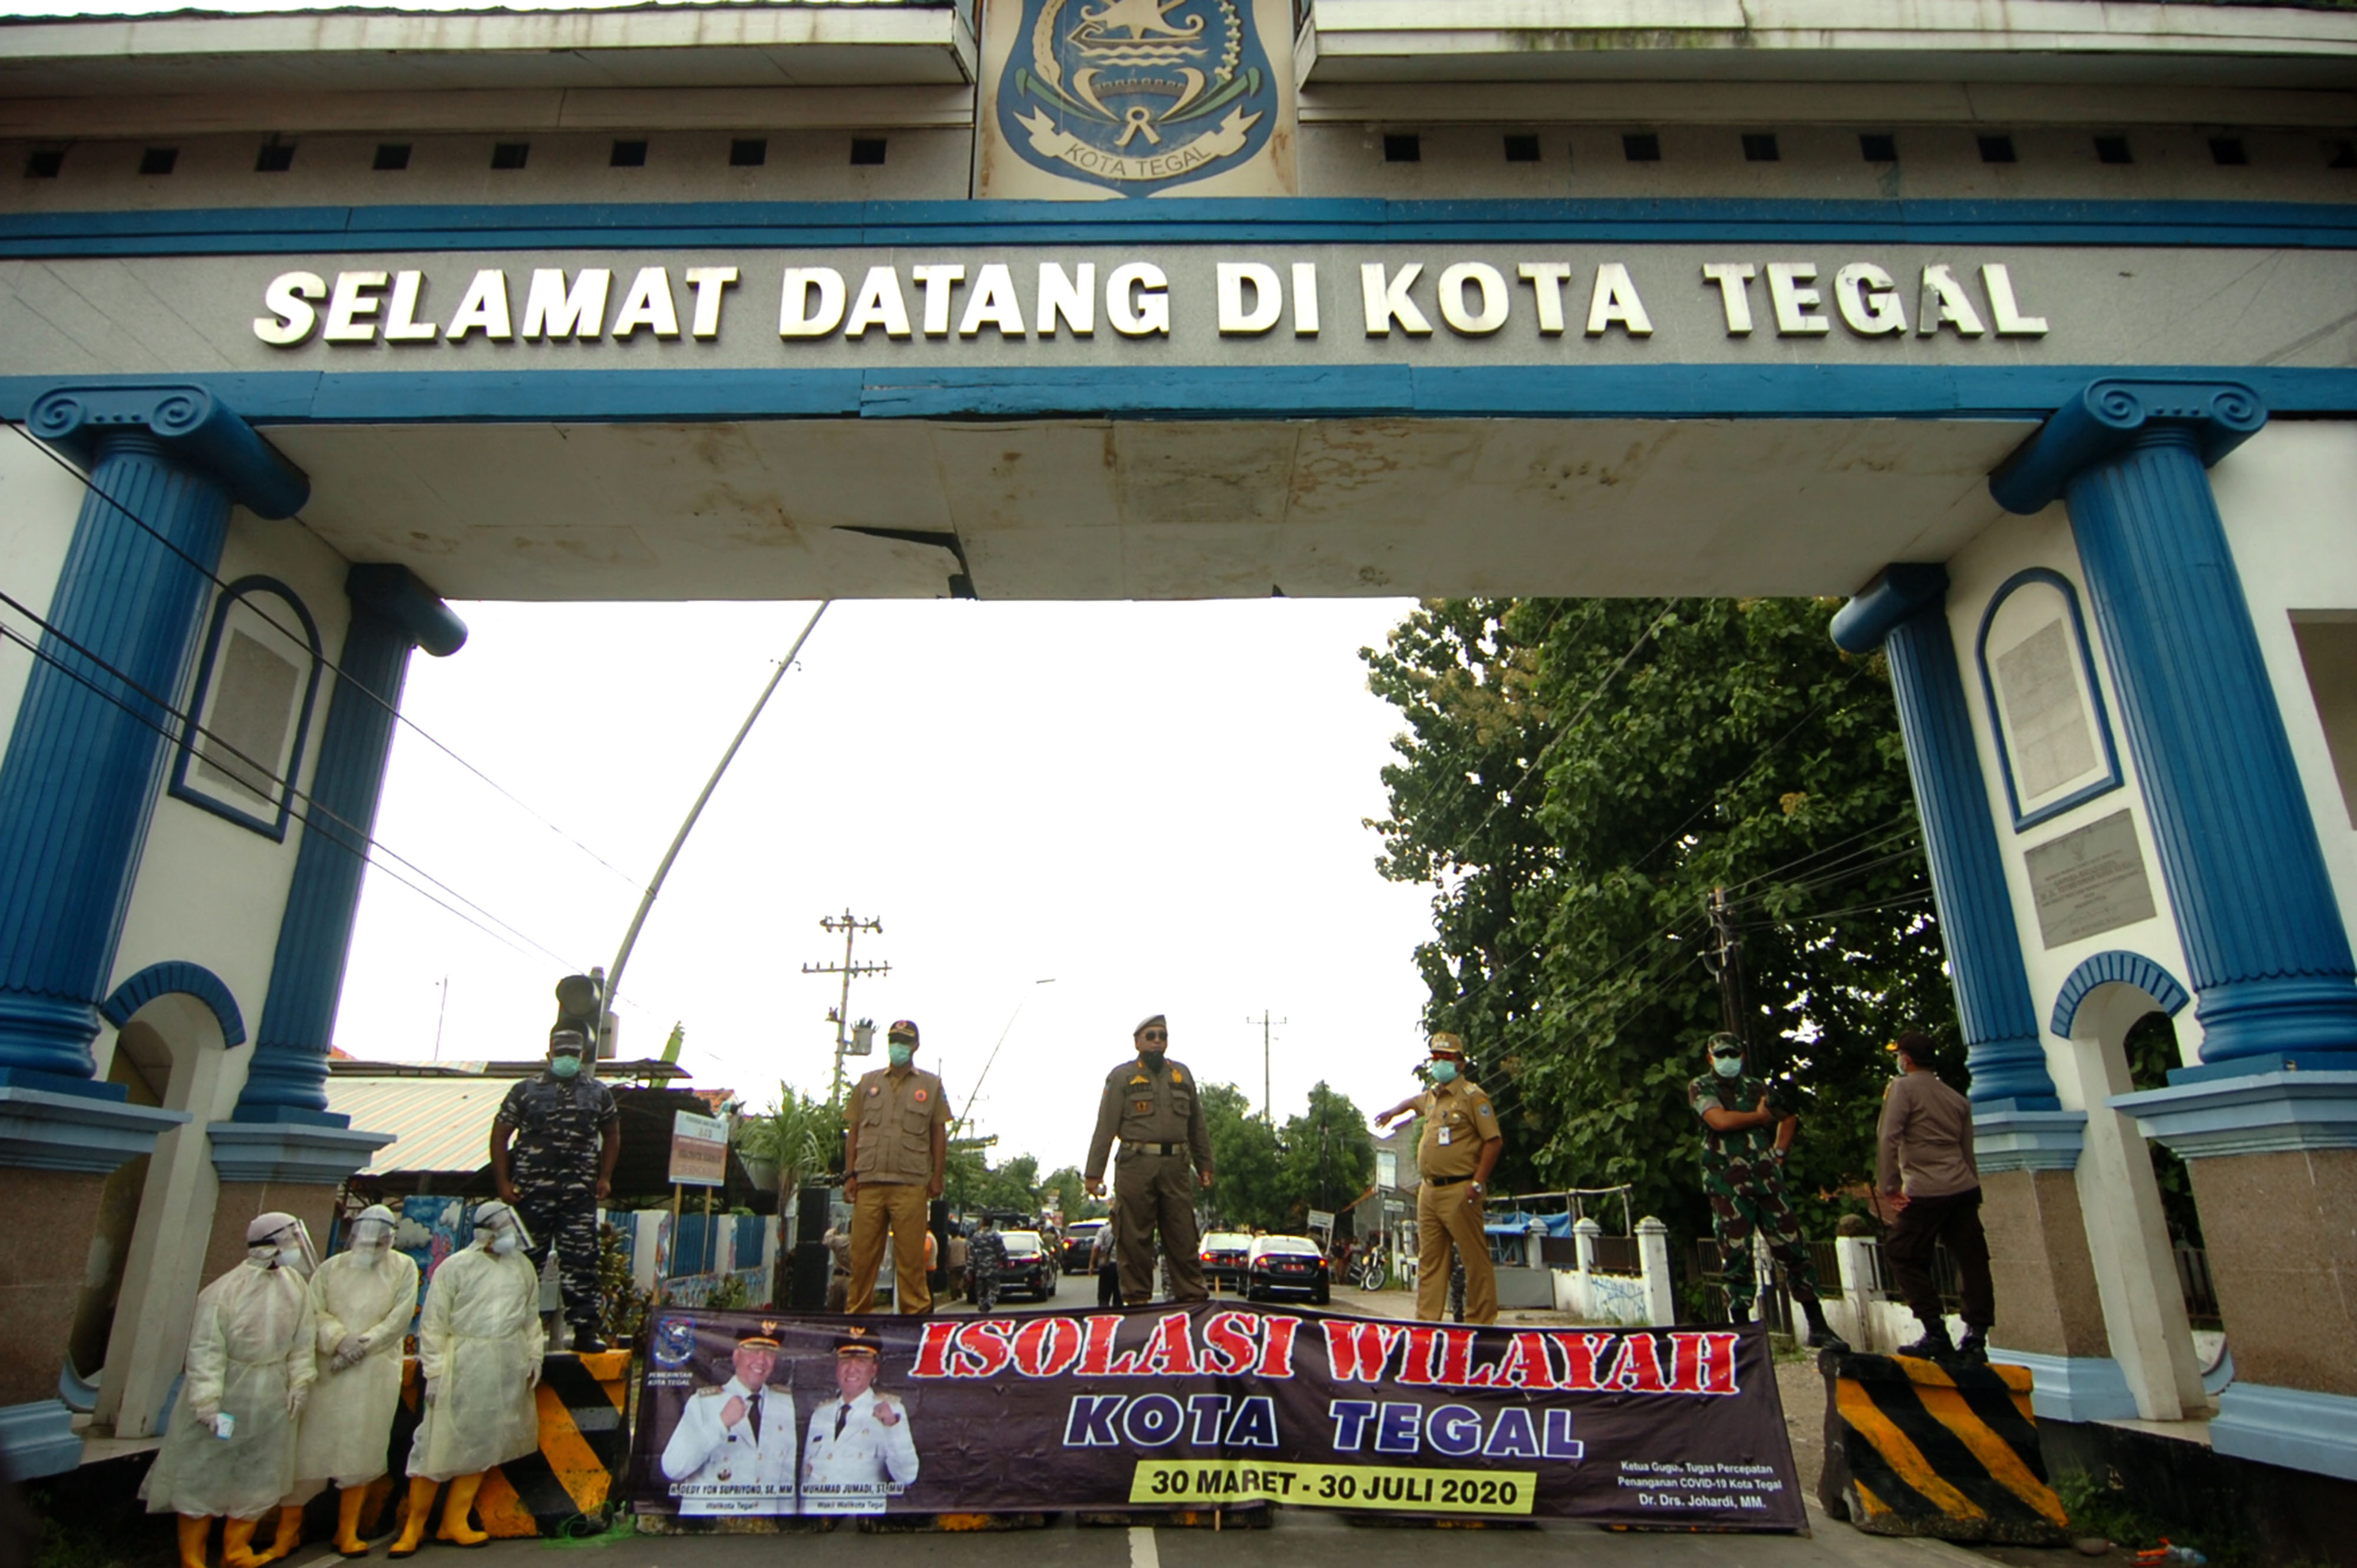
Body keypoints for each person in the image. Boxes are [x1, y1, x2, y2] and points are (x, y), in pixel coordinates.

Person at [142, 1214, 319, 1568]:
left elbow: (304, 1339)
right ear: (268, 1245)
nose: (294, 1250)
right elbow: (206, 1351)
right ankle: (193, 1558)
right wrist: (207, 1403)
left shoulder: (295, 1286)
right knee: (202, 1476)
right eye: (287, 1241)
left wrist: (300, 1381)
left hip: (271, 1395)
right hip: (227, 1394)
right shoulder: (222, 1292)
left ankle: (236, 1552)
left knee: (260, 1475)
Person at [389, 1201, 545, 1558]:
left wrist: (533, 1356)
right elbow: (433, 1323)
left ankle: (454, 1522)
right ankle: (413, 1527)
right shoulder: (456, 1267)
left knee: (483, 1444)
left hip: (504, 1365)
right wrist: (434, 1371)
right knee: (434, 1447)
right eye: (502, 1227)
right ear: (486, 1232)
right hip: (460, 1363)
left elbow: (529, 1319)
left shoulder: (522, 1267)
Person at [1687, 1033, 1847, 1349]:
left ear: (1742, 1056)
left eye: (1733, 1054)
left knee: (1793, 1249)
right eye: (1721, 1055)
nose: (1727, 1060)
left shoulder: (1757, 1088)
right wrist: (1759, 1118)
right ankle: (1743, 1334)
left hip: (1765, 1179)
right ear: (1710, 1058)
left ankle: (1818, 1326)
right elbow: (1718, 1120)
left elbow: (1788, 1117)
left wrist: (1779, 1153)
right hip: (1727, 1184)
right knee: (1736, 1255)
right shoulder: (1701, 1087)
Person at [289, 1206, 418, 1559]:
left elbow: (399, 1317)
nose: (374, 1248)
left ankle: (347, 1531)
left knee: (362, 1448)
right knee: (311, 1448)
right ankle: (288, 1532)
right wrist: (338, 1340)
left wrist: (364, 1345)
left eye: (382, 1241)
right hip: (330, 1367)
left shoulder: (404, 1268)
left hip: (374, 1369)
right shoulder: (331, 1269)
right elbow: (314, 1312)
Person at [489, 1029, 619, 1354]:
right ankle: (511, 1326)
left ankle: (586, 1329)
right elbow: (500, 1135)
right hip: (532, 1193)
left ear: (582, 1058)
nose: (567, 1061)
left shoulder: (598, 1093)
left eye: (573, 1055)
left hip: (578, 1194)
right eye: (562, 1054)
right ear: (549, 1056)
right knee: (522, 1261)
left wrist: (605, 1177)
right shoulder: (525, 1091)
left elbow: (613, 1134)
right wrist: (503, 1183)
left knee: (581, 1260)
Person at [1877, 1031, 1995, 1364]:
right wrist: (1973, 1187)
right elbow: (1966, 1149)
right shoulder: (1956, 1097)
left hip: (1926, 1189)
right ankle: (1976, 1337)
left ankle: (1935, 1331)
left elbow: (1888, 1136)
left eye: (1899, 1054)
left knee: (1902, 1253)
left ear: (1907, 1059)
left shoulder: (1902, 1088)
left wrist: (1889, 1184)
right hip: (1963, 1187)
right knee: (1972, 1259)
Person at [1084, 1015, 1214, 1305]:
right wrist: (1094, 1174)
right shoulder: (1122, 1077)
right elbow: (1105, 1125)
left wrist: (1206, 1166)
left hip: (1176, 1167)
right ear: (1138, 1042)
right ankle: (1137, 1302)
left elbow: (1198, 1126)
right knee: (1134, 1237)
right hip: (1136, 1165)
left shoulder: (1182, 1075)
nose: (1157, 1041)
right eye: (1151, 1036)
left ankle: (1192, 1301)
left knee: (1182, 1235)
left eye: (1163, 1036)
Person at [1374, 1033, 1503, 1324]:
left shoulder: (1473, 1097)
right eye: (1435, 1057)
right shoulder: (1433, 1096)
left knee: (1474, 1259)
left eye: (1446, 1058)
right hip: (1429, 1191)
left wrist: (1478, 1183)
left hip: (1461, 1189)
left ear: (1460, 1063)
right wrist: (1393, 1112)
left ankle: (1481, 1322)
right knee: (1431, 1260)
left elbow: (1493, 1141)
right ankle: (1426, 1322)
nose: (1439, 1063)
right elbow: (1413, 1102)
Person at [844, 1020, 950, 1315]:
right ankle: (856, 1322)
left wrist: (937, 1177)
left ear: (915, 1046)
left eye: (904, 1041)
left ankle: (915, 1324)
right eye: (894, 1040)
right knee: (862, 1259)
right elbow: (853, 1131)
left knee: (912, 1261)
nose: (898, 1047)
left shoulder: (931, 1085)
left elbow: (938, 1133)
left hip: (911, 1184)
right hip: (869, 1182)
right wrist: (850, 1174)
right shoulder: (868, 1083)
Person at [660, 1326, 797, 1516]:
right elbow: (673, 1468)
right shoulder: (704, 1403)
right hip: (712, 1529)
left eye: (770, 1353)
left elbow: (786, 1480)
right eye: (753, 1351)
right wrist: (721, 1424)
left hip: (763, 1531)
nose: (761, 1360)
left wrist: (786, 1526)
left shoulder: (784, 1404)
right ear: (736, 1356)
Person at [799, 1329, 919, 1515]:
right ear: (837, 1367)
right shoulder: (822, 1413)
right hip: (817, 1520)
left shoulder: (890, 1411)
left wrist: (892, 1426)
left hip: (857, 1524)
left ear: (874, 1369)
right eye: (845, 1361)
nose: (851, 1368)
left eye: (862, 1361)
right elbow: (806, 1476)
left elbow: (907, 1476)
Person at [967, 1216, 1007, 1313]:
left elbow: (972, 1255)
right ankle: (988, 1305)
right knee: (994, 1291)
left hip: (980, 1270)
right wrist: (1005, 1264)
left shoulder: (976, 1236)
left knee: (981, 1293)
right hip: (992, 1269)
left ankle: (982, 1309)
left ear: (983, 1222)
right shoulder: (996, 1236)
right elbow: (1002, 1252)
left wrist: (969, 1269)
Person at [822, 1223, 852, 1314]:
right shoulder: (862, 1243)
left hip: (838, 1278)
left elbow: (827, 1239)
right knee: (850, 1309)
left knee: (833, 1310)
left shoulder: (840, 1241)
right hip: (852, 1280)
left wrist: (834, 1230)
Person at [1090, 1221, 1119, 1309]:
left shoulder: (1103, 1230)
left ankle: (1104, 1316)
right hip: (1121, 1267)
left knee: (1104, 1297)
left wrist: (1092, 1264)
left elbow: (1096, 1247)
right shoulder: (1125, 1230)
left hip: (1107, 1266)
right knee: (1119, 1298)